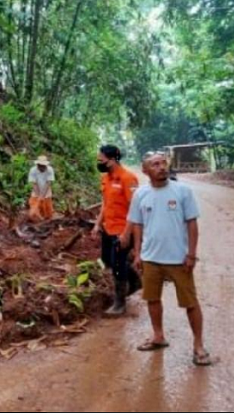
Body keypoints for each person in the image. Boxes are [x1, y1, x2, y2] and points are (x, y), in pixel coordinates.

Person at [128, 152, 212, 366]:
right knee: (152, 299)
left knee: (190, 302)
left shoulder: (182, 191)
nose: (161, 167)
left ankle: (198, 345)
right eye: (155, 164)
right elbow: (137, 225)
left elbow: (192, 223)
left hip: (178, 259)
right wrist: (137, 253)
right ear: (146, 170)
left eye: (163, 163)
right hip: (150, 258)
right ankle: (158, 336)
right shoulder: (140, 194)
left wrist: (191, 254)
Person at [92, 145, 141, 316]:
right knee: (108, 259)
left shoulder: (128, 179)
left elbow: (135, 209)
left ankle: (119, 303)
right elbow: (105, 203)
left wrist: (127, 234)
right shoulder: (106, 178)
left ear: (112, 160)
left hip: (123, 230)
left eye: (101, 160)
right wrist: (98, 224)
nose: (99, 163)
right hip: (108, 228)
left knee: (118, 265)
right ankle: (135, 281)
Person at [28, 155, 55, 222]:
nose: (42, 167)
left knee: (47, 210)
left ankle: (47, 221)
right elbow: (34, 183)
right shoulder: (33, 170)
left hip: (46, 192)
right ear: (38, 165)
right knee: (34, 207)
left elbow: (48, 183)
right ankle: (36, 220)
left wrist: (42, 195)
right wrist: (38, 195)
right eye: (40, 166)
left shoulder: (50, 170)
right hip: (36, 192)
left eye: (43, 166)